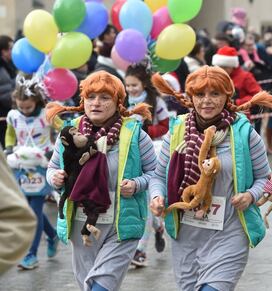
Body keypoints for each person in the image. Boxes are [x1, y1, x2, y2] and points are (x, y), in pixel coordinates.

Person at [149, 65, 272, 291]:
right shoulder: (177, 131)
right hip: (186, 233)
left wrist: (250, 195)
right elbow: (158, 176)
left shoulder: (244, 133)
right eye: (200, 94)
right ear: (190, 97)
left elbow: (264, 179)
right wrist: (157, 197)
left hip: (229, 233)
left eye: (215, 94)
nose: (207, 101)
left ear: (227, 96)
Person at [46, 71, 156, 291]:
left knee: (102, 285)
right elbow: (52, 168)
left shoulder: (135, 134)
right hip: (81, 221)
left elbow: (155, 173)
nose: (96, 103)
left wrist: (136, 184)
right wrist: (55, 178)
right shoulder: (70, 132)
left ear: (118, 103)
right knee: (87, 283)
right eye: (90, 97)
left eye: (105, 98)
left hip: (121, 224)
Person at [5, 74, 60, 270]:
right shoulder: (13, 115)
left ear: (36, 101)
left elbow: (62, 129)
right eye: (21, 107)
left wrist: (57, 149)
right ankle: (52, 235)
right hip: (21, 166)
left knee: (34, 213)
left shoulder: (47, 114)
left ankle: (31, 255)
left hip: (41, 165)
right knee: (28, 210)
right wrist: (9, 147)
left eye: (28, 107)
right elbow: (11, 131)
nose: (24, 111)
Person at [124, 64, 167, 266]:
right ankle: (158, 226)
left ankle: (140, 250)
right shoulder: (121, 101)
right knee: (139, 200)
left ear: (144, 84)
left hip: (153, 152)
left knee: (149, 199)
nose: (131, 89)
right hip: (130, 155)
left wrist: (145, 132)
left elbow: (166, 125)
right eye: (128, 85)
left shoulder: (155, 101)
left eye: (134, 85)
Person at [0, 147, 36, 274]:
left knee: (34, 210)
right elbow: (10, 134)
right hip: (19, 162)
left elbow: (20, 218)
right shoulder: (13, 124)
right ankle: (52, 235)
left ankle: (32, 254)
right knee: (30, 207)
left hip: (39, 162)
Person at [0, 35, 16, 148]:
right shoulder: (1, 68)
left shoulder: (8, 65)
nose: (13, 50)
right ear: (3, 51)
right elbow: (4, 93)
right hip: (3, 113)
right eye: (10, 48)